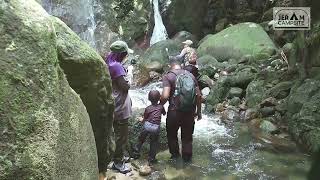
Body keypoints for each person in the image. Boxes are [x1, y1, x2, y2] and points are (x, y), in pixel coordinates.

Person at [160, 58, 202, 162]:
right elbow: (199, 96)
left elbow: (165, 96)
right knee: (187, 138)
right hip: (189, 112)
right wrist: (199, 112)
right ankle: (187, 162)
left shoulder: (168, 76)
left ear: (171, 66)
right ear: (181, 65)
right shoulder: (190, 75)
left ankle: (175, 158)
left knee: (172, 136)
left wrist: (160, 105)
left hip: (174, 112)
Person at [105, 40, 134, 174]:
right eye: (125, 54)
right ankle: (118, 163)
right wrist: (130, 74)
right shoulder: (117, 67)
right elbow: (125, 86)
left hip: (113, 104)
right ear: (121, 54)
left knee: (116, 134)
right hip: (120, 107)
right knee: (121, 136)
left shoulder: (109, 61)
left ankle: (118, 156)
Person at [132, 90, 166, 163]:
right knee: (154, 142)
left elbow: (145, 118)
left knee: (141, 139)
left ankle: (135, 153)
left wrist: (142, 120)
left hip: (147, 126)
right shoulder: (161, 107)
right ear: (159, 98)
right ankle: (151, 158)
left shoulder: (147, 108)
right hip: (155, 128)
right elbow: (164, 113)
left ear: (148, 99)